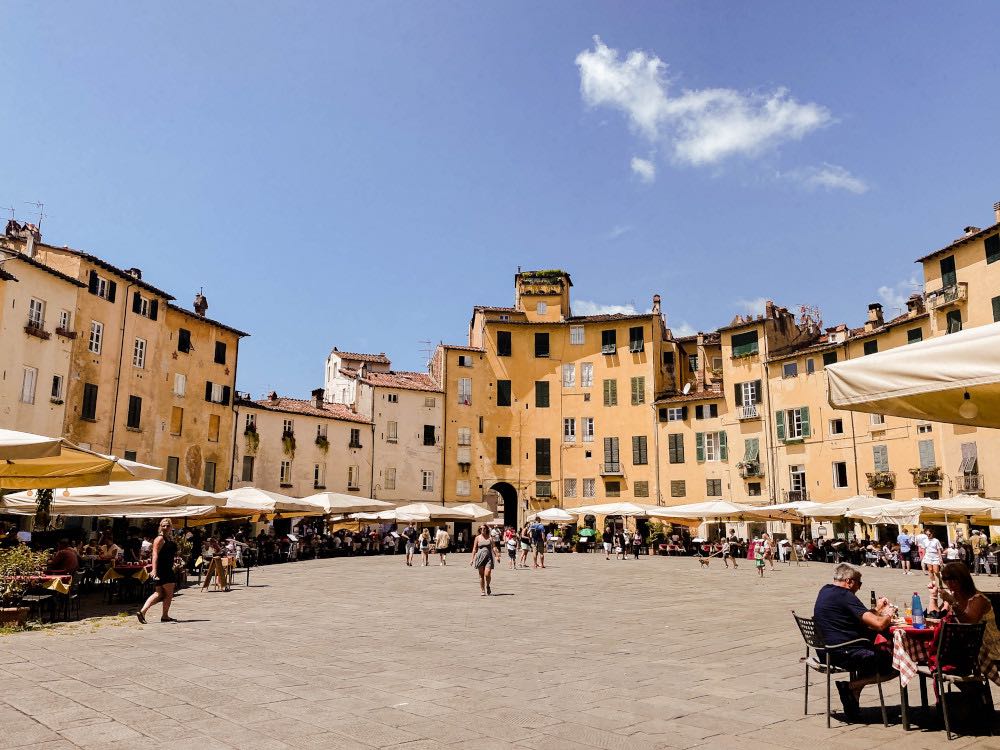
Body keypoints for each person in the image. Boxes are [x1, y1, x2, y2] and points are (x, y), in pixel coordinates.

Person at [813, 563, 895, 717]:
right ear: (849, 581)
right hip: (844, 652)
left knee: (874, 652)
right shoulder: (845, 596)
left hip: (827, 651)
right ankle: (851, 686)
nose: (859, 587)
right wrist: (889, 614)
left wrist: (877, 610)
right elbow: (879, 624)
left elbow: (859, 617)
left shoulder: (825, 590)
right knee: (896, 663)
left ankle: (853, 694)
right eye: (859, 583)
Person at [929, 562, 1000, 661]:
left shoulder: (978, 599)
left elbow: (968, 623)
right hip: (964, 644)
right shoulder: (955, 595)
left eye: (953, 579)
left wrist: (953, 603)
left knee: (935, 650)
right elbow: (938, 616)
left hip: (985, 648)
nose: (949, 583)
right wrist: (933, 596)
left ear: (963, 579)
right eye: (945, 579)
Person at [137, 519, 179, 624]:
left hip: (165, 568)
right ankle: (164, 616)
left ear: (171, 527)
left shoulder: (167, 538)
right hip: (164, 569)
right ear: (160, 527)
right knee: (168, 594)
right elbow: (154, 555)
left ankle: (142, 612)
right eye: (164, 526)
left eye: (168, 526)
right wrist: (154, 569)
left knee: (159, 593)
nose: (166, 527)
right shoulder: (159, 539)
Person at [470, 524, 497, 595]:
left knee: (487, 574)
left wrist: (497, 556)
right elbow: (474, 549)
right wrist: (472, 559)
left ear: (486, 529)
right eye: (481, 529)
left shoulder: (490, 538)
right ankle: (483, 590)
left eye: (484, 528)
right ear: (479, 530)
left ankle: (488, 586)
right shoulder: (477, 538)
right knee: (481, 575)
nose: (483, 530)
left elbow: (494, 547)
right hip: (480, 557)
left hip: (489, 557)